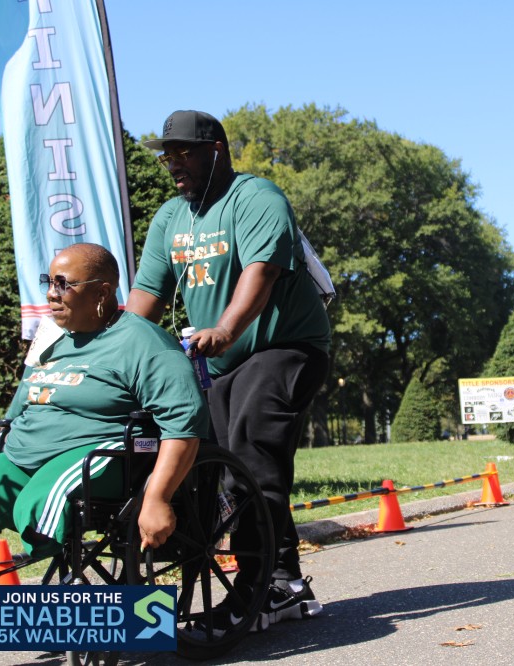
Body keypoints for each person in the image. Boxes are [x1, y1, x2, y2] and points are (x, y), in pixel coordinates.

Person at [127, 110, 331, 628]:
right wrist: (114, 354)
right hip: (217, 363)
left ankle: (262, 591)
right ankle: (284, 582)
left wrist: (226, 328)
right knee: (215, 464)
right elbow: (146, 296)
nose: (174, 164)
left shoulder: (256, 197)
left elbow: (261, 272)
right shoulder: (170, 218)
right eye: (168, 157)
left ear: (216, 150)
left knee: (251, 453)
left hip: (283, 347)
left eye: (184, 153)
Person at [0, 243, 208, 557]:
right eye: (49, 283)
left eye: (63, 284)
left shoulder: (144, 343)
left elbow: (184, 423)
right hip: (31, 453)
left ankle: (46, 543)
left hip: (101, 451)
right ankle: (27, 531)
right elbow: (21, 404)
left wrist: (157, 497)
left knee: (43, 498)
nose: (51, 294)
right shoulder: (51, 338)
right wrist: (0, 448)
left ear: (102, 293)